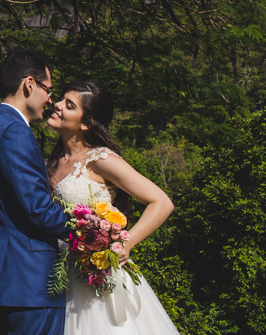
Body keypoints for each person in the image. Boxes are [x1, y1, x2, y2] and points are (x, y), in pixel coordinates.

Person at [45, 80, 178, 334]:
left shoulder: (101, 159)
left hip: (96, 282)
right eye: (61, 99)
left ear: (85, 123)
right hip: (58, 277)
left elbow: (161, 202)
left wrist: (126, 243)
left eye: (69, 105)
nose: (58, 105)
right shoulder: (52, 161)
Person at [0, 49, 70, 335]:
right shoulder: (15, 131)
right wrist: (88, 231)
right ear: (29, 84)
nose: (50, 99)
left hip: (8, 276)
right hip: (30, 279)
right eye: (48, 89)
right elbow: (38, 207)